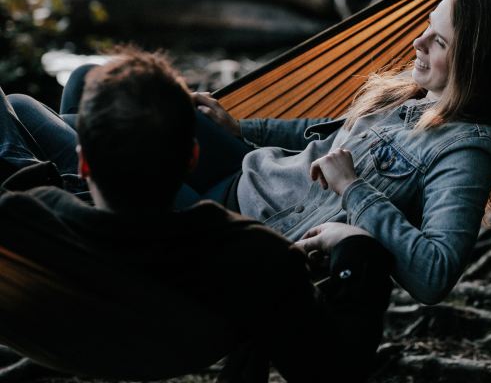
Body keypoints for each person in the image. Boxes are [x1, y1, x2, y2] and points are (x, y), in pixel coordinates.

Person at [0, 49, 392, 382]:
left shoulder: (21, 224)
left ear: (83, 163)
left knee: (16, 105)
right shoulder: (258, 256)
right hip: (174, 326)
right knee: (20, 105)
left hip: (73, 277)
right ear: (192, 157)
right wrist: (356, 249)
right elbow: (332, 371)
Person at [183, 0, 491, 304]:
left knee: (138, 186)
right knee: (168, 110)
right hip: (247, 172)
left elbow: (434, 274)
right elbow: (330, 132)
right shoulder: (421, 91)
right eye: (430, 24)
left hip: (249, 228)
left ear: (475, 65)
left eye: (440, 42)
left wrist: (352, 187)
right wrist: (243, 129)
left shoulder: (466, 153)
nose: (419, 41)